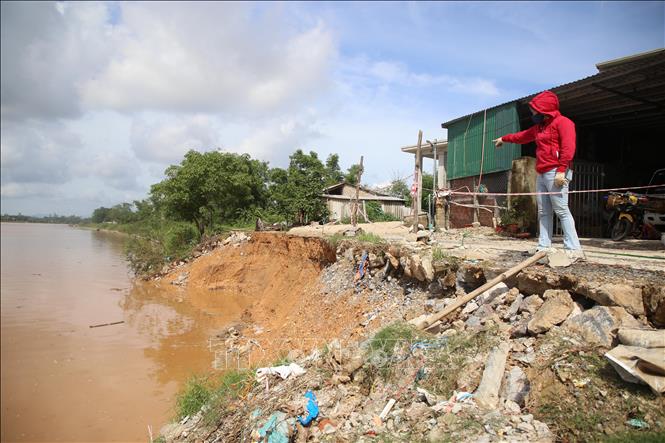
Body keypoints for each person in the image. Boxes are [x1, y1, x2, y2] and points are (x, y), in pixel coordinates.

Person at [493, 90, 585, 262]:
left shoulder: (564, 123)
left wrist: (561, 170)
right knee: (543, 211)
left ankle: (574, 248)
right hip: (542, 172)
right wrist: (504, 139)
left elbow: (568, 148)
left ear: (545, 109)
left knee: (561, 210)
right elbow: (522, 136)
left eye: (535, 111)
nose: (533, 114)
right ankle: (544, 246)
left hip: (556, 171)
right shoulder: (539, 127)